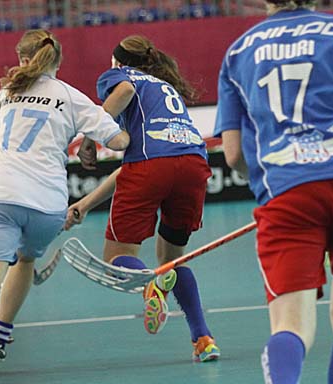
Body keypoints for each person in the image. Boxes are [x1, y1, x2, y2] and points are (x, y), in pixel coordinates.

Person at [0, 29, 130, 384]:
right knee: (25, 260)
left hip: (1, 196)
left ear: (24, 60)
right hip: (49, 205)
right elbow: (119, 141)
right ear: (58, 63)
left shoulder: (5, 94)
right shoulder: (69, 96)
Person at [214, 0, 333, 384]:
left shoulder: (237, 52)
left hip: (286, 192)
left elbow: (233, 155)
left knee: (291, 326)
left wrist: (268, 182)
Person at [64, 35, 220, 362]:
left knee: (117, 257)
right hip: (193, 165)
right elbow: (138, 166)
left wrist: (91, 137)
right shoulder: (164, 87)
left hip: (152, 166)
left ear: (118, 61)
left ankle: (151, 285)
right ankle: (203, 339)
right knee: (173, 260)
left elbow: (123, 92)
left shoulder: (121, 77)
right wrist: (85, 204)